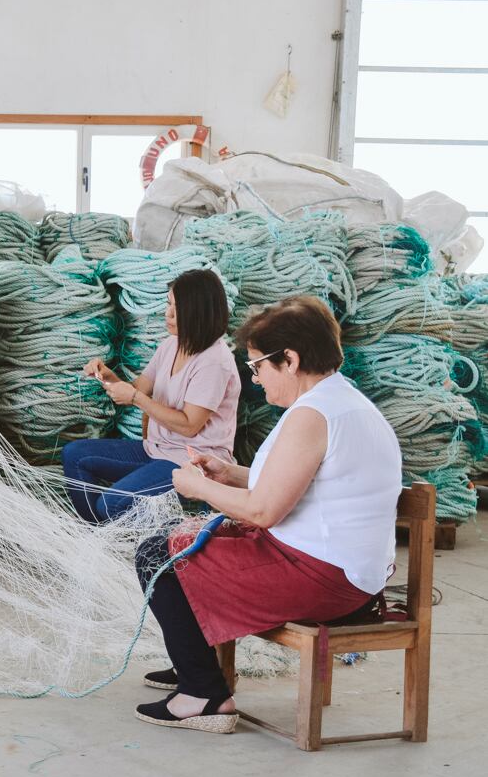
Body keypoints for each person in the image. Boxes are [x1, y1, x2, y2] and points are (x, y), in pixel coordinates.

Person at [132, 295, 402, 734]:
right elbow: (299, 483)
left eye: (258, 367)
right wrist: (230, 472)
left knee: (156, 557)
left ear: (290, 360)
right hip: (347, 574)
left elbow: (264, 510)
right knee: (174, 543)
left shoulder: (312, 415)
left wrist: (197, 486)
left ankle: (202, 693)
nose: (255, 379)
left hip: (319, 577)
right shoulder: (344, 402)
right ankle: (196, 666)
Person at [61, 268, 239, 523]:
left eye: (177, 309)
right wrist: (107, 376)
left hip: (189, 462)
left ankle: (108, 533)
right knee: (74, 455)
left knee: (110, 506)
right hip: (155, 449)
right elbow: (139, 386)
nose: (168, 314)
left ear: (198, 313)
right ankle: (99, 535)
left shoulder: (214, 361)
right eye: (168, 305)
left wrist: (134, 398)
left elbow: (189, 425)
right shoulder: (171, 345)